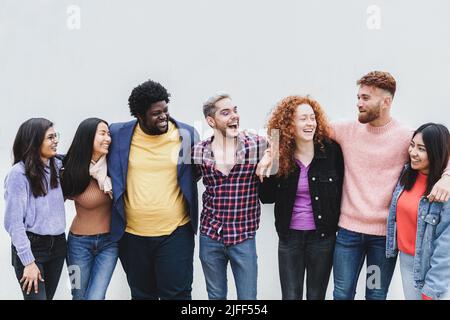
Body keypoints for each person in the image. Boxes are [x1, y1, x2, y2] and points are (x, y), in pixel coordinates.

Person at [330, 71, 450, 300]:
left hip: (382, 241)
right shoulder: (347, 129)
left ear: (386, 102)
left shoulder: (406, 138)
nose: (358, 103)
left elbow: (441, 152)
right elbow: (305, 128)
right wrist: (270, 151)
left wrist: (447, 178)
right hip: (348, 236)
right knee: (342, 294)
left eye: (365, 98)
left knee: (375, 294)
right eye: (358, 97)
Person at [107, 79, 199, 300]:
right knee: (142, 296)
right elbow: (87, 154)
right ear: (139, 115)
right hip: (132, 237)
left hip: (175, 233)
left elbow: (209, 163)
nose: (163, 116)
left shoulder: (187, 135)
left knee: (177, 295)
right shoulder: (118, 134)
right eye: (156, 113)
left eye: (166, 110)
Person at [259, 95, 344, 300]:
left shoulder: (331, 151)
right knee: (290, 296)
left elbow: (342, 191)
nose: (310, 123)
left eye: (312, 118)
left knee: (316, 296)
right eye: (303, 118)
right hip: (290, 239)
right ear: (289, 124)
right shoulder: (279, 154)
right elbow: (267, 198)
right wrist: (270, 163)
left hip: (323, 238)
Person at [193, 92, 270, 300]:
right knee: (215, 296)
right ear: (211, 121)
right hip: (210, 235)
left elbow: (283, 145)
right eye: (225, 113)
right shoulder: (199, 151)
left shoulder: (256, 145)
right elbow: (184, 182)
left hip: (243, 236)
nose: (234, 116)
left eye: (235, 111)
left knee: (248, 299)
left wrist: (269, 158)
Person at [4, 118, 66, 300]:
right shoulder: (18, 174)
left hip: (58, 246)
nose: (56, 141)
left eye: (56, 136)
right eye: (50, 137)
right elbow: (14, 223)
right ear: (34, 141)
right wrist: (28, 262)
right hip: (32, 248)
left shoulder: (57, 165)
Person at [386, 123, 450, 300]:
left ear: (436, 151)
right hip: (406, 260)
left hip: (430, 266)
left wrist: (432, 288)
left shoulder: (444, 190)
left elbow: (446, 247)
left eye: (421, 149)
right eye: (412, 145)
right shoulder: (407, 174)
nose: (413, 152)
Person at [61, 118, 118, 300]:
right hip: (77, 245)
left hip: (109, 244)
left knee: (96, 297)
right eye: (102, 133)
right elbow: (51, 206)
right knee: (78, 294)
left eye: (108, 134)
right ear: (87, 138)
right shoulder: (69, 170)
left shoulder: (114, 167)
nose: (108, 138)